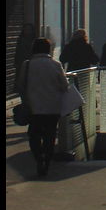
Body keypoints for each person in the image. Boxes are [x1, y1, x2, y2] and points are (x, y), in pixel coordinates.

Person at [17, 37, 69, 177]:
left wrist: (26, 99)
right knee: (50, 134)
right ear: (49, 49)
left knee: (34, 135)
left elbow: (21, 85)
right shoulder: (56, 64)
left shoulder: (27, 65)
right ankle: (47, 160)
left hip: (33, 107)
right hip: (53, 107)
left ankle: (38, 159)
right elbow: (65, 86)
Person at [12, 22, 37, 93]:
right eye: (26, 29)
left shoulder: (35, 40)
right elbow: (18, 51)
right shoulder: (20, 40)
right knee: (21, 80)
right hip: (21, 62)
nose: (27, 31)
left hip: (32, 63)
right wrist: (16, 62)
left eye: (29, 30)